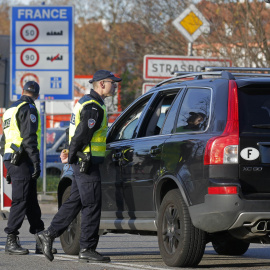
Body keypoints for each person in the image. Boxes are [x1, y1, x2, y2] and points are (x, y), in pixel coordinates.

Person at [35, 70, 122, 263]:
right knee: (92, 205)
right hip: (87, 163)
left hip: (83, 162)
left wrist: (70, 154)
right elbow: (82, 134)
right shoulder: (94, 106)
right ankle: (87, 248)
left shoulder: (87, 102)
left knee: (75, 202)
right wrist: (73, 156)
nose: (115, 86)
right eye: (112, 82)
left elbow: (72, 131)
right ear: (101, 84)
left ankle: (48, 234)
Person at [1, 81, 56, 255]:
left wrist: (8, 164)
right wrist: (36, 162)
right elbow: (29, 138)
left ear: (22, 91)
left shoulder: (11, 109)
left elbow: (3, 140)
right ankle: (11, 238)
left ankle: (40, 239)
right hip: (23, 159)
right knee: (21, 199)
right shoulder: (29, 108)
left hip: (11, 158)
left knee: (31, 200)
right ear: (37, 96)